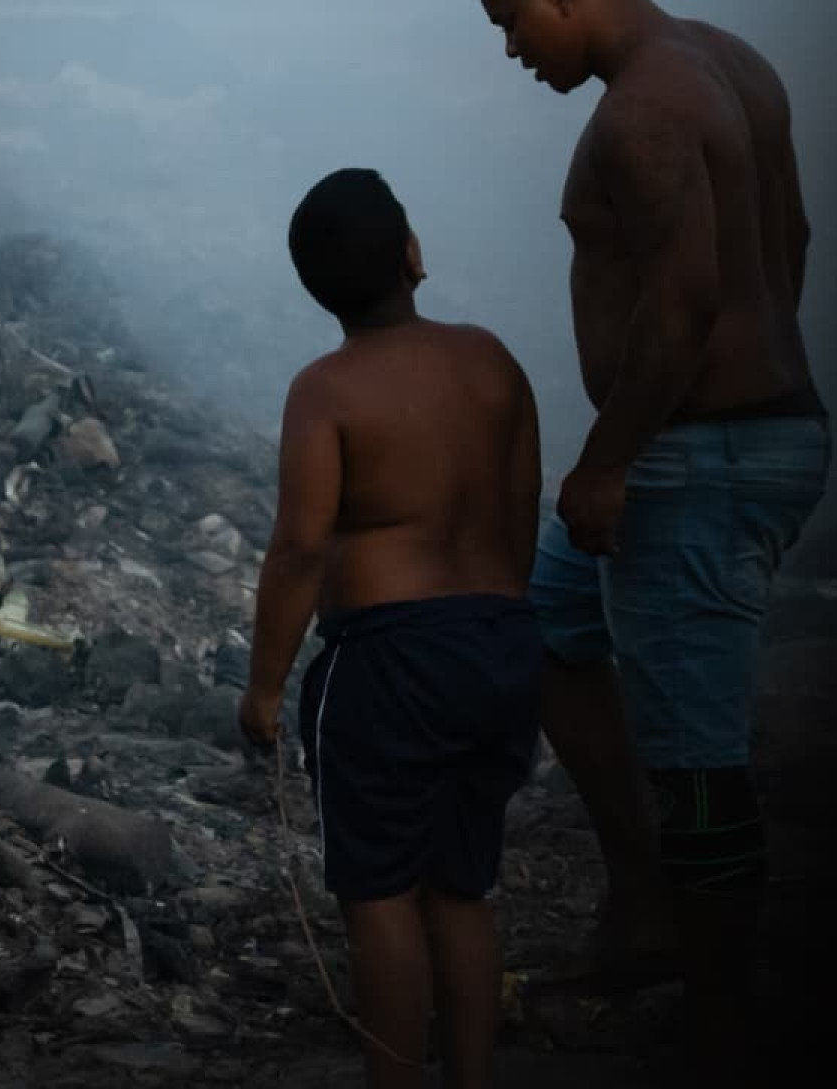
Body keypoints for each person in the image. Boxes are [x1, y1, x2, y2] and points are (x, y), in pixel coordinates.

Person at [471, 0, 831, 1085]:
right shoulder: (728, 61)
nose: (514, 51)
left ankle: (726, 1027)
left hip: (697, 457)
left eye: (512, 20)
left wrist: (613, 459)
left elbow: (681, 302)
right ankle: (647, 904)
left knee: (699, 757)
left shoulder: (647, 114)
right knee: (541, 614)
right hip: (728, 437)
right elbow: (796, 238)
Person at [237, 168, 544, 1089]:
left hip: (388, 664)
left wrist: (263, 686)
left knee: (380, 896)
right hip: (498, 643)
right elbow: (523, 506)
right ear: (414, 254)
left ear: (316, 290)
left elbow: (298, 547)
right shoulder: (492, 361)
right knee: (463, 886)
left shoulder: (325, 391)